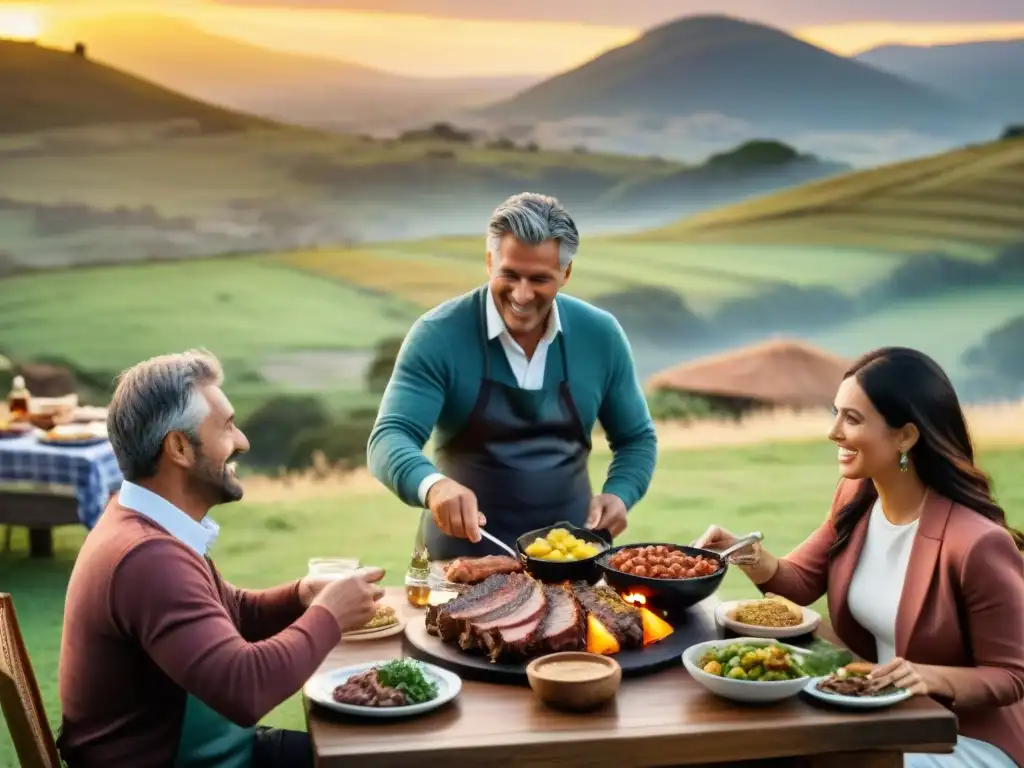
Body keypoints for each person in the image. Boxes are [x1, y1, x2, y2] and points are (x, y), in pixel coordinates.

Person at [695, 347, 1024, 768]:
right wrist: (749, 555)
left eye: (852, 418)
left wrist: (930, 676)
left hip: (957, 736)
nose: (834, 432)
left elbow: (1011, 675)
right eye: (835, 413)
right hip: (879, 711)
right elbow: (799, 581)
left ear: (905, 435)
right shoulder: (858, 496)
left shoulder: (978, 543)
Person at [57, 350, 386, 768]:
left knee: (372, 753)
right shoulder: (147, 559)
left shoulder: (142, 525)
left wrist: (301, 596)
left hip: (211, 755)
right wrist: (329, 616)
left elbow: (230, 611)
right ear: (179, 446)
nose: (242, 442)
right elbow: (244, 688)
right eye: (227, 427)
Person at [368, 192, 657, 560]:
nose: (522, 295)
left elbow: (636, 438)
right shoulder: (437, 335)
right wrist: (434, 487)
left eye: (540, 279)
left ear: (566, 274)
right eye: (510, 275)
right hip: (458, 565)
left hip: (572, 564)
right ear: (490, 262)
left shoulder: (600, 335)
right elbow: (389, 437)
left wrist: (620, 492)